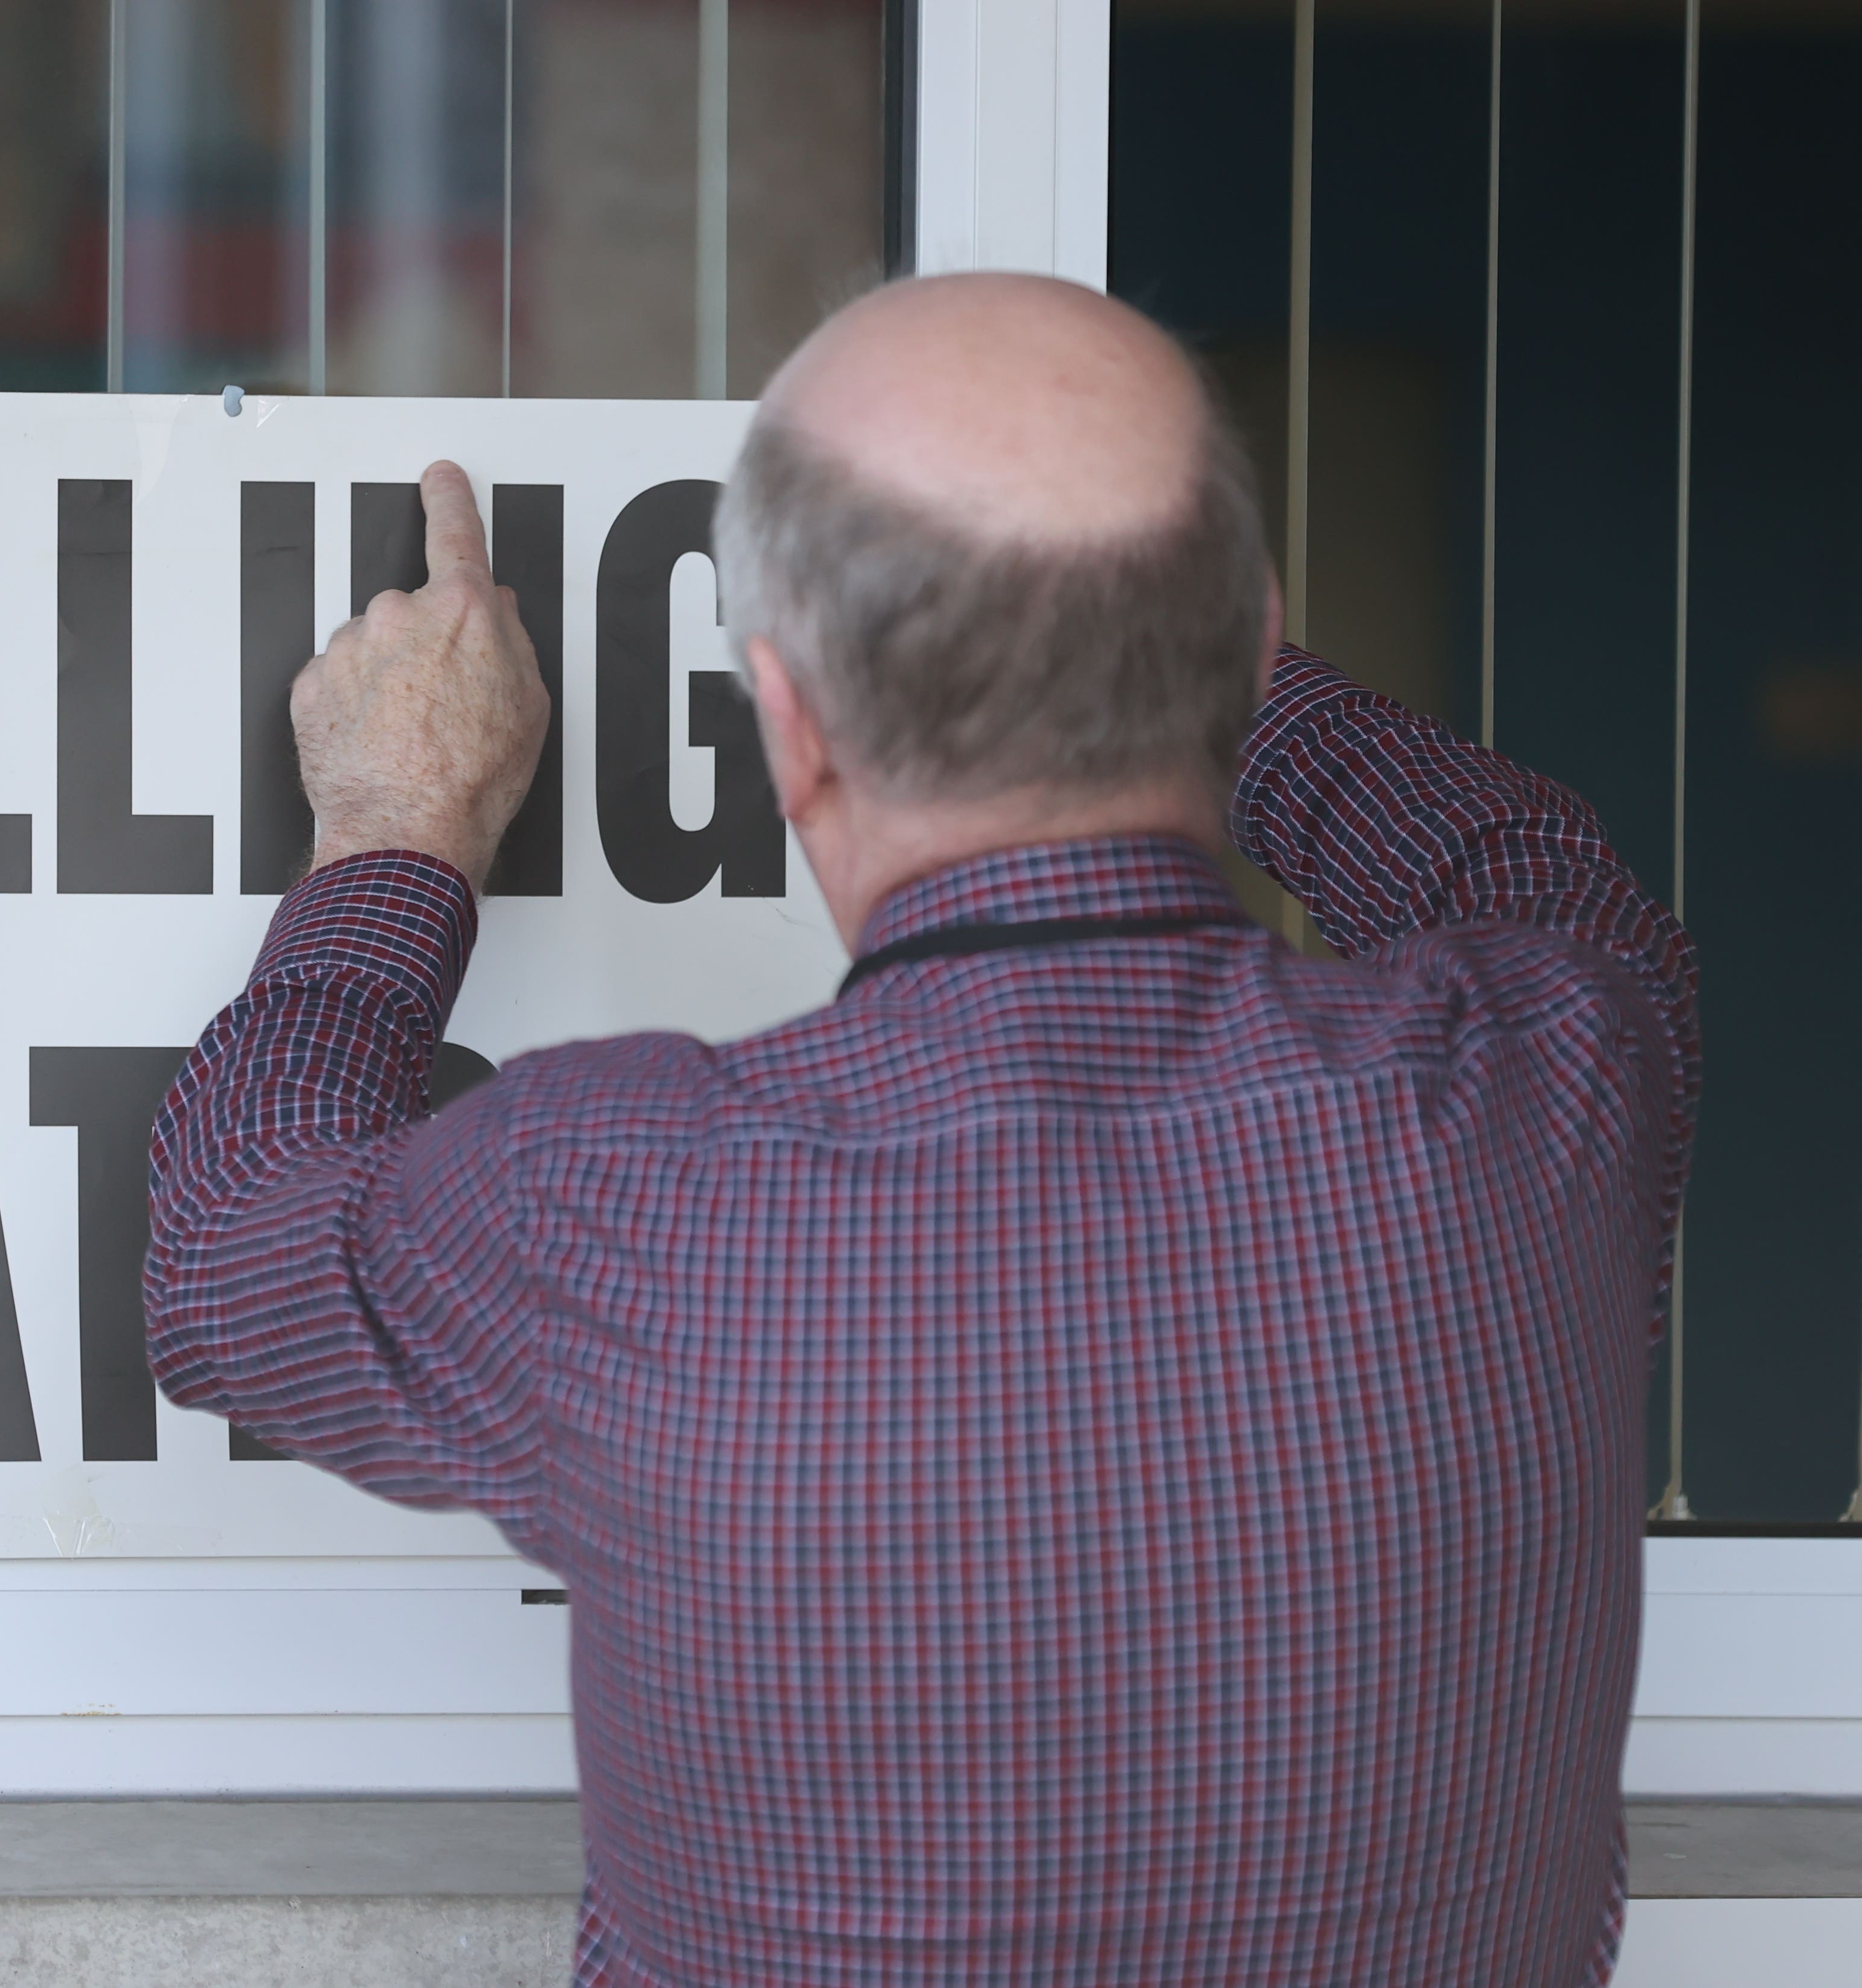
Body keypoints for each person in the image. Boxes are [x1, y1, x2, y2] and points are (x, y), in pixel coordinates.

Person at [144, 274, 1697, 1987]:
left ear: (791, 724)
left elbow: (225, 1242)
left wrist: (394, 824)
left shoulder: (619, 1207)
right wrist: (1223, 682)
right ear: (1243, 635)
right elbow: (1534, 872)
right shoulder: (1555, 1099)